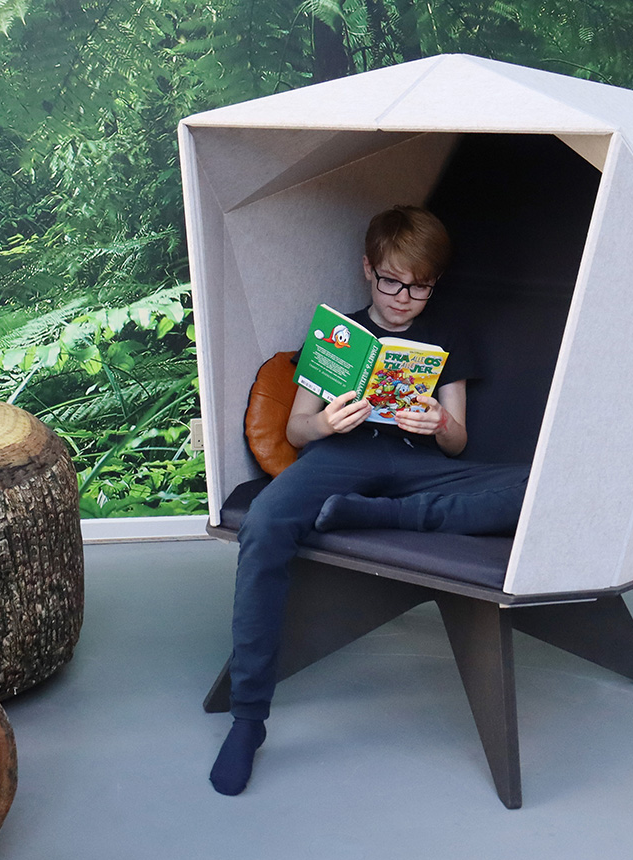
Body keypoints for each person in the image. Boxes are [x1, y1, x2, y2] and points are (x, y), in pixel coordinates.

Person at [209, 205, 531, 796]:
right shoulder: (339, 336)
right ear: (367, 268)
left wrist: (440, 423)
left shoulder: (448, 336)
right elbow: (296, 430)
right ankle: (248, 719)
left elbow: (459, 442)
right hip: (341, 459)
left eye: (420, 287)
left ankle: (381, 515)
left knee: (535, 490)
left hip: (419, 467)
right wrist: (326, 423)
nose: (404, 298)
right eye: (391, 282)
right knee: (265, 523)